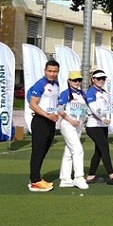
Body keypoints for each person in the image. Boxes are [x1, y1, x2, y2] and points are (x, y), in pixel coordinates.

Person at [26, 60, 61, 192]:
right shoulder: (41, 84)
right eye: (49, 71)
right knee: (38, 152)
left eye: (55, 71)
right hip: (40, 121)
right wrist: (47, 115)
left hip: (50, 122)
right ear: (45, 71)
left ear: (58, 72)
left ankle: (37, 178)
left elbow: (51, 102)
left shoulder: (56, 84)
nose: (52, 74)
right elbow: (32, 104)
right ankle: (35, 181)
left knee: (44, 151)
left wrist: (55, 114)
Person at [84, 69, 113, 185]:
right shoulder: (91, 92)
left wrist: (107, 117)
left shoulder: (104, 92)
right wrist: (102, 118)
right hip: (93, 125)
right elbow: (94, 108)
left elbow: (107, 107)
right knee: (104, 149)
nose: (101, 80)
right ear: (93, 79)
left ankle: (91, 176)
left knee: (99, 151)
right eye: (98, 78)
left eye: (103, 78)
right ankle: (112, 176)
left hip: (102, 125)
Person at [56, 70, 89, 190]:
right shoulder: (65, 93)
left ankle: (65, 178)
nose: (77, 82)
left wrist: (84, 120)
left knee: (69, 151)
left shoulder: (82, 94)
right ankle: (79, 177)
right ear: (69, 81)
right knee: (78, 149)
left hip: (78, 126)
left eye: (79, 80)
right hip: (68, 125)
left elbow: (85, 109)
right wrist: (70, 120)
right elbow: (60, 109)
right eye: (74, 80)